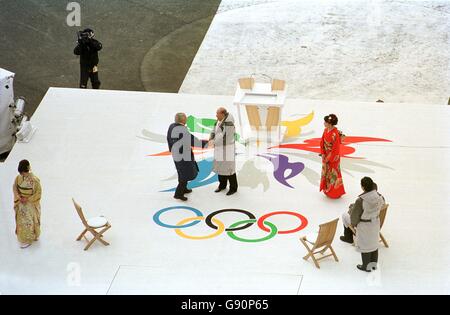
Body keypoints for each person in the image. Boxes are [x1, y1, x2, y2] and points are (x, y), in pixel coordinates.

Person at [167, 113, 208, 201]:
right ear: (183, 120)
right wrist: (207, 143)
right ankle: (178, 194)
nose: (187, 120)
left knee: (181, 172)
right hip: (183, 156)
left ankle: (184, 189)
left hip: (176, 154)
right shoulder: (182, 130)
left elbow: (168, 139)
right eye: (186, 118)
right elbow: (193, 141)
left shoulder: (172, 126)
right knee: (185, 174)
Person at [348, 177, 385, 272]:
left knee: (365, 246)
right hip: (375, 222)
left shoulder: (361, 200)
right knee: (374, 244)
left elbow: (354, 216)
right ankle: (373, 265)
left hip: (364, 225)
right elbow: (382, 203)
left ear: (363, 187)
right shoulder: (379, 196)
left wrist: (354, 224)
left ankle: (365, 266)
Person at [13, 160, 42, 249]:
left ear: (27, 170)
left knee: (29, 220)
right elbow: (15, 188)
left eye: (23, 173)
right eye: (21, 173)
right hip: (21, 201)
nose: (22, 175)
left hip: (31, 202)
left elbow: (38, 193)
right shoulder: (18, 178)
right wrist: (19, 197)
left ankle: (29, 238)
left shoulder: (35, 180)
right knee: (22, 221)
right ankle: (25, 238)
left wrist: (27, 199)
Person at [209, 107, 238, 196]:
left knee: (229, 169)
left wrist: (214, 142)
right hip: (219, 148)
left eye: (217, 114)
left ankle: (233, 188)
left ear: (222, 114)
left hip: (227, 149)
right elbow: (214, 129)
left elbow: (227, 138)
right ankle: (222, 185)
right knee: (220, 167)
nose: (216, 115)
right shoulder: (219, 120)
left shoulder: (229, 124)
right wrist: (211, 137)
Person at [319, 114, 345, 199]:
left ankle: (335, 192)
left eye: (325, 122)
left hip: (333, 157)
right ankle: (327, 189)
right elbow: (322, 142)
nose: (324, 123)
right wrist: (323, 153)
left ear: (330, 123)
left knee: (334, 174)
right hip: (326, 155)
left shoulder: (335, 134)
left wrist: (328, 158)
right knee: (326, 173)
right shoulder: (325, 130)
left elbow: (335, 149)